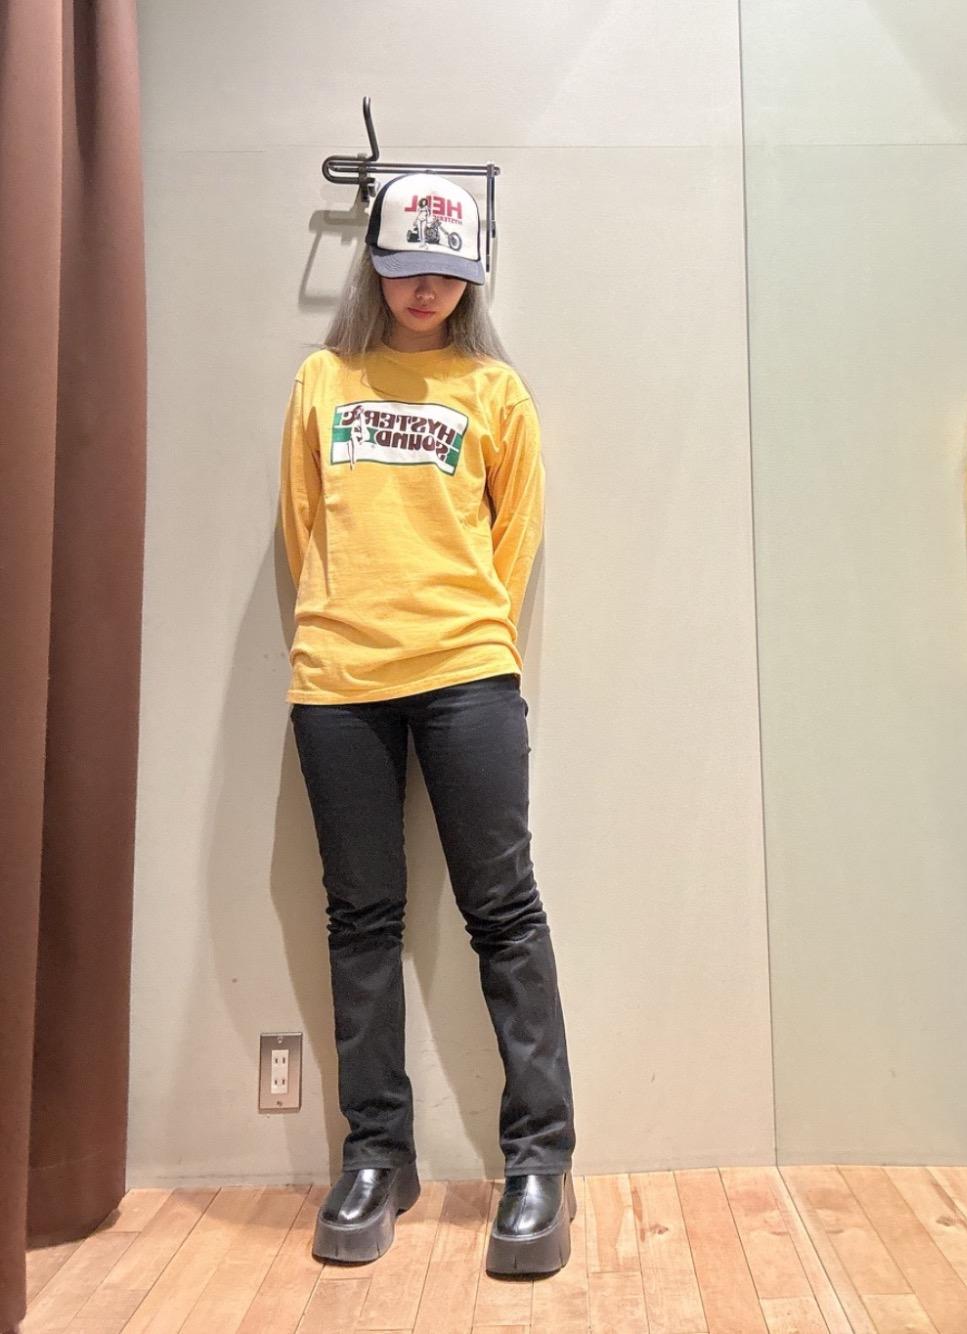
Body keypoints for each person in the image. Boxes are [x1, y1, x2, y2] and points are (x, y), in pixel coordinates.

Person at [278, 171, 577, 1276]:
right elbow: (303, 526)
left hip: (465, 672)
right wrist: (346, 620)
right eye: (408, 268)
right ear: (376, 265)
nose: (425, 289)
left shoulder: (494, 391)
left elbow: (517, 536)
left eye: (446, 272)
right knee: (360, 917)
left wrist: (460, 626)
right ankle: (376, 1155)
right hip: (337, 679)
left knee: (505, 912)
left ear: (471, 276)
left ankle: (540, 1160)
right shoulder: (323, 379)